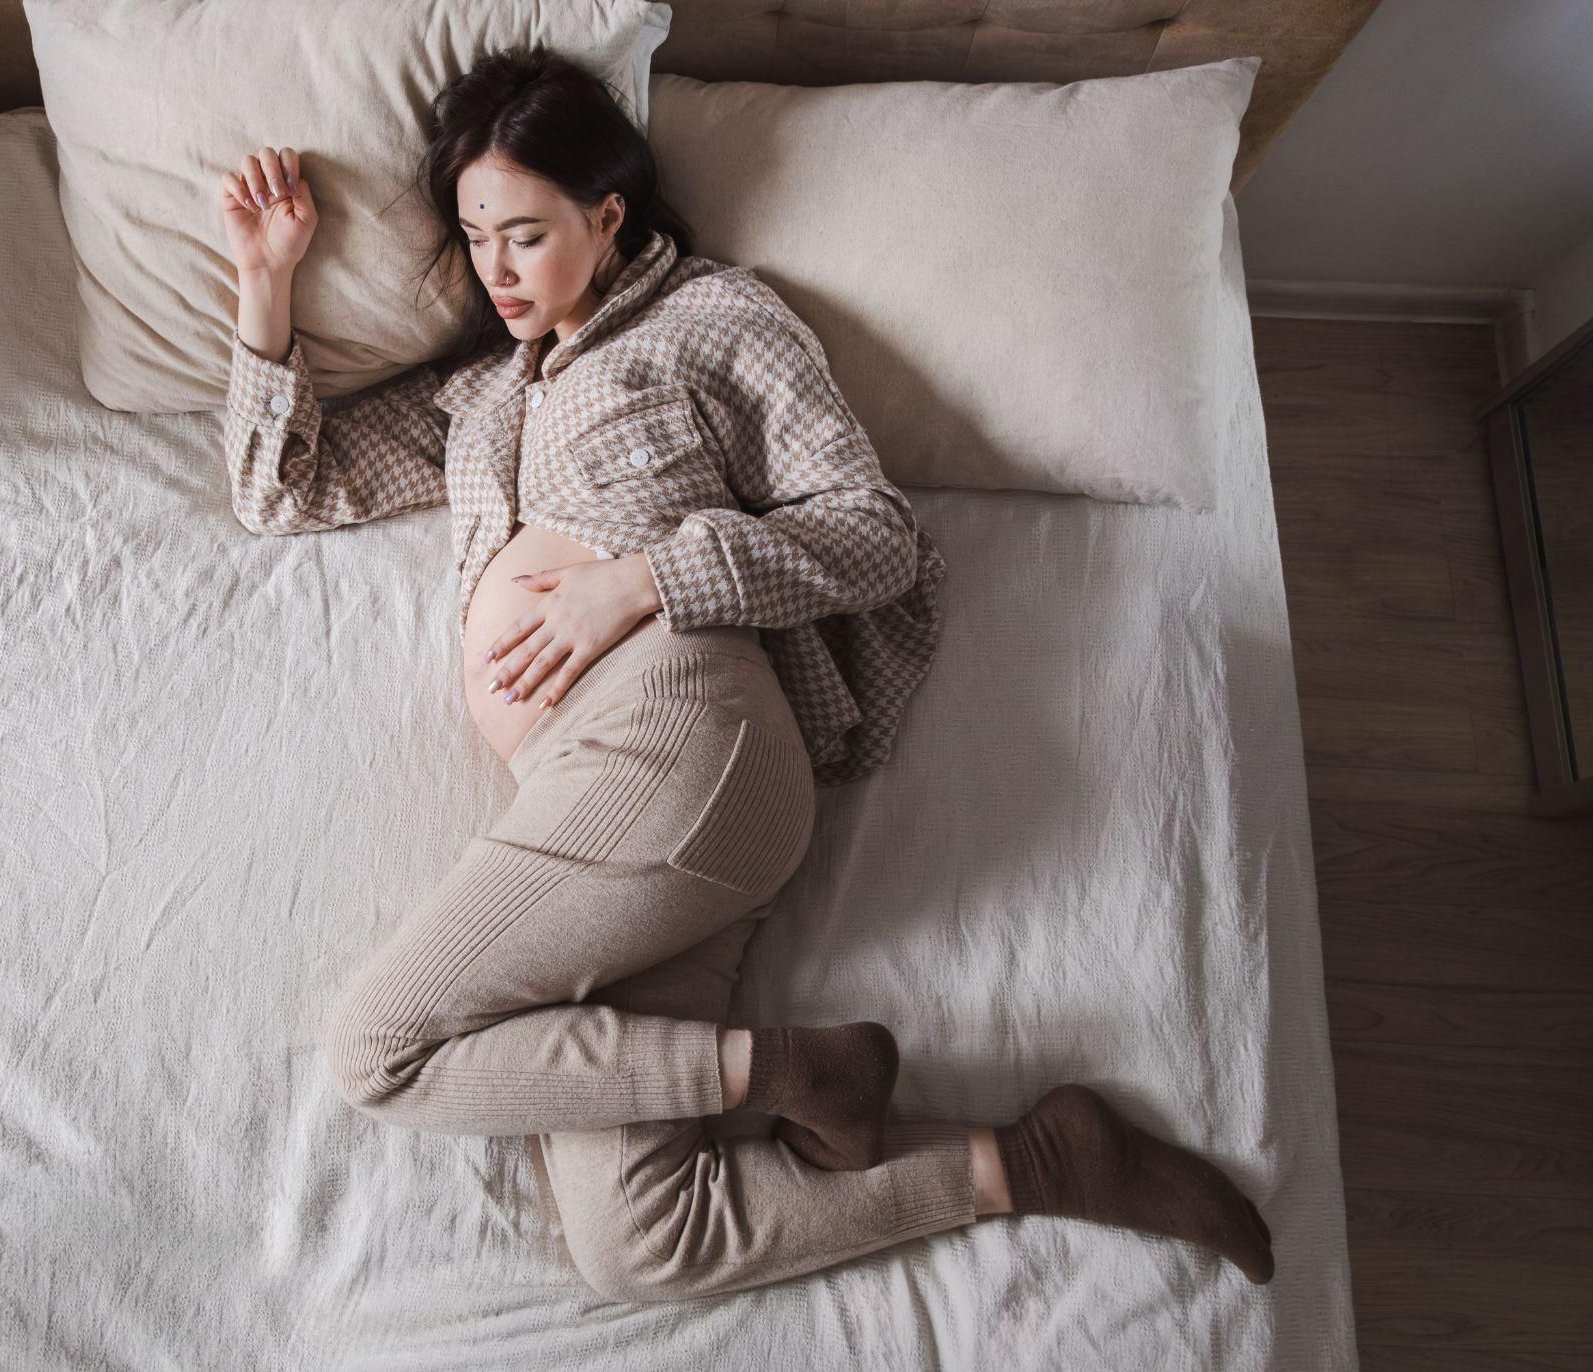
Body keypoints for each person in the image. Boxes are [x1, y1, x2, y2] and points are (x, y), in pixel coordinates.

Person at [217, 44, 1274, 1303]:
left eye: (527, 234)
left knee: (380, 1048)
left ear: (606, 214)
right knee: (642, 1245)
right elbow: (288, 489)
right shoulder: (481, 398)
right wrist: (264, 285)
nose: (496, 271)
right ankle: (1030, 1158)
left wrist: (647, 579)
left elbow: (873, 533)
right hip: (607, 811)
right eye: (474, 237)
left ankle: (788, 1072)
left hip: (676, 740)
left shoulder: (715, 320)